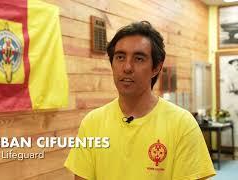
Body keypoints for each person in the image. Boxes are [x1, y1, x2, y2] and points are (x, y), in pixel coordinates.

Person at [64, 21, 215, 180]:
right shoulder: (92, 123)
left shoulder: (182, 124)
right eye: (120, 57)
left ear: (156, 68)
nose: (127, 67)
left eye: (139, 58)